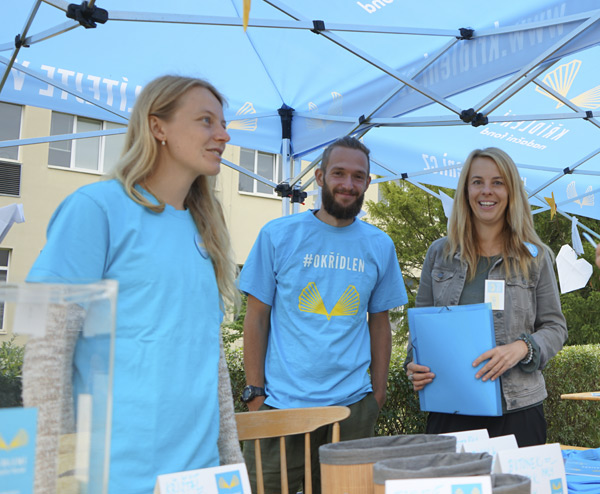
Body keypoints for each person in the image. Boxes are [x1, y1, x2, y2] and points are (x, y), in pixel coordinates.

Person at [27, 75, 243, 493]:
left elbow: (211, 366)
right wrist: (51, 478)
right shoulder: (96, 208)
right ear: (157, 126)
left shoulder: (206, 230)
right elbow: (46, 351)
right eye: (206, 121)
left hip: (198, 478)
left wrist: (230, 468)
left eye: (222, 123)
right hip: (113, 478)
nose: (223, 134)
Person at [239, 135, 408, 493]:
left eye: (358, 176)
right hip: (279, 407)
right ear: (319, 177)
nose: (348, 184)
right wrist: (255, 395)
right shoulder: (277, 235)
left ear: (367, 182)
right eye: (339, 173)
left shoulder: (380, 245)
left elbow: (380, 324)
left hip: (351, 410)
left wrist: (376, 396)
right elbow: (255, 317)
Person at [406, 147, 567, 447]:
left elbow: (556, 328)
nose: (486, 191)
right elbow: (422, 331)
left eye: (497, 182)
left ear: (511, 191)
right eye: (477, 181)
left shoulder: (535, 256)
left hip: (518, 410)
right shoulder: (439, 254)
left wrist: (521, 348)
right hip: (449, 407)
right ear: (466, 190)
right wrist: (413, 366)